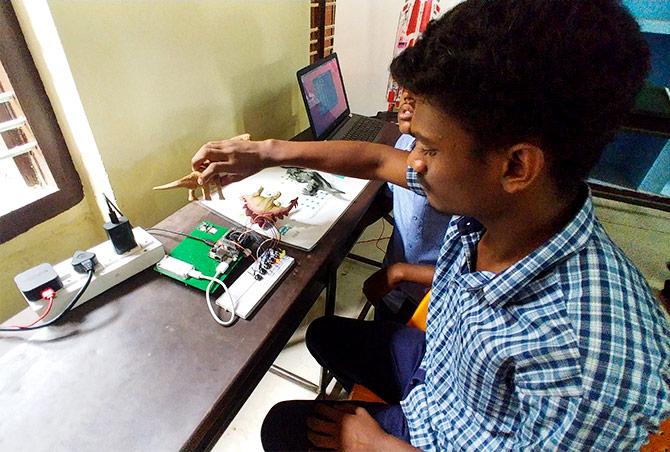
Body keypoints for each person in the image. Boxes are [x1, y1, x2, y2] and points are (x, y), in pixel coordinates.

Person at [192, 0, 670, 449]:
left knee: (285, 428)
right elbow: (378, 160)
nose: (412, 162)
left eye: (429, 148)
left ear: (516, 166)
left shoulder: (589, 365)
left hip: (443, 434)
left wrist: (380, 445)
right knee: (325, 334)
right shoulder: (501, 205)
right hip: (444, 378)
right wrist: (262, 152)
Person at [366, 88, 447, 323]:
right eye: (405, 88)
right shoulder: (405, 143)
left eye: (422, 92)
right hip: (395, 289)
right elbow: (382, 176)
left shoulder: (460, 179)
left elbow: (477, 274)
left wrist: (400, 273)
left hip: (429, 301)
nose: (407, 99)